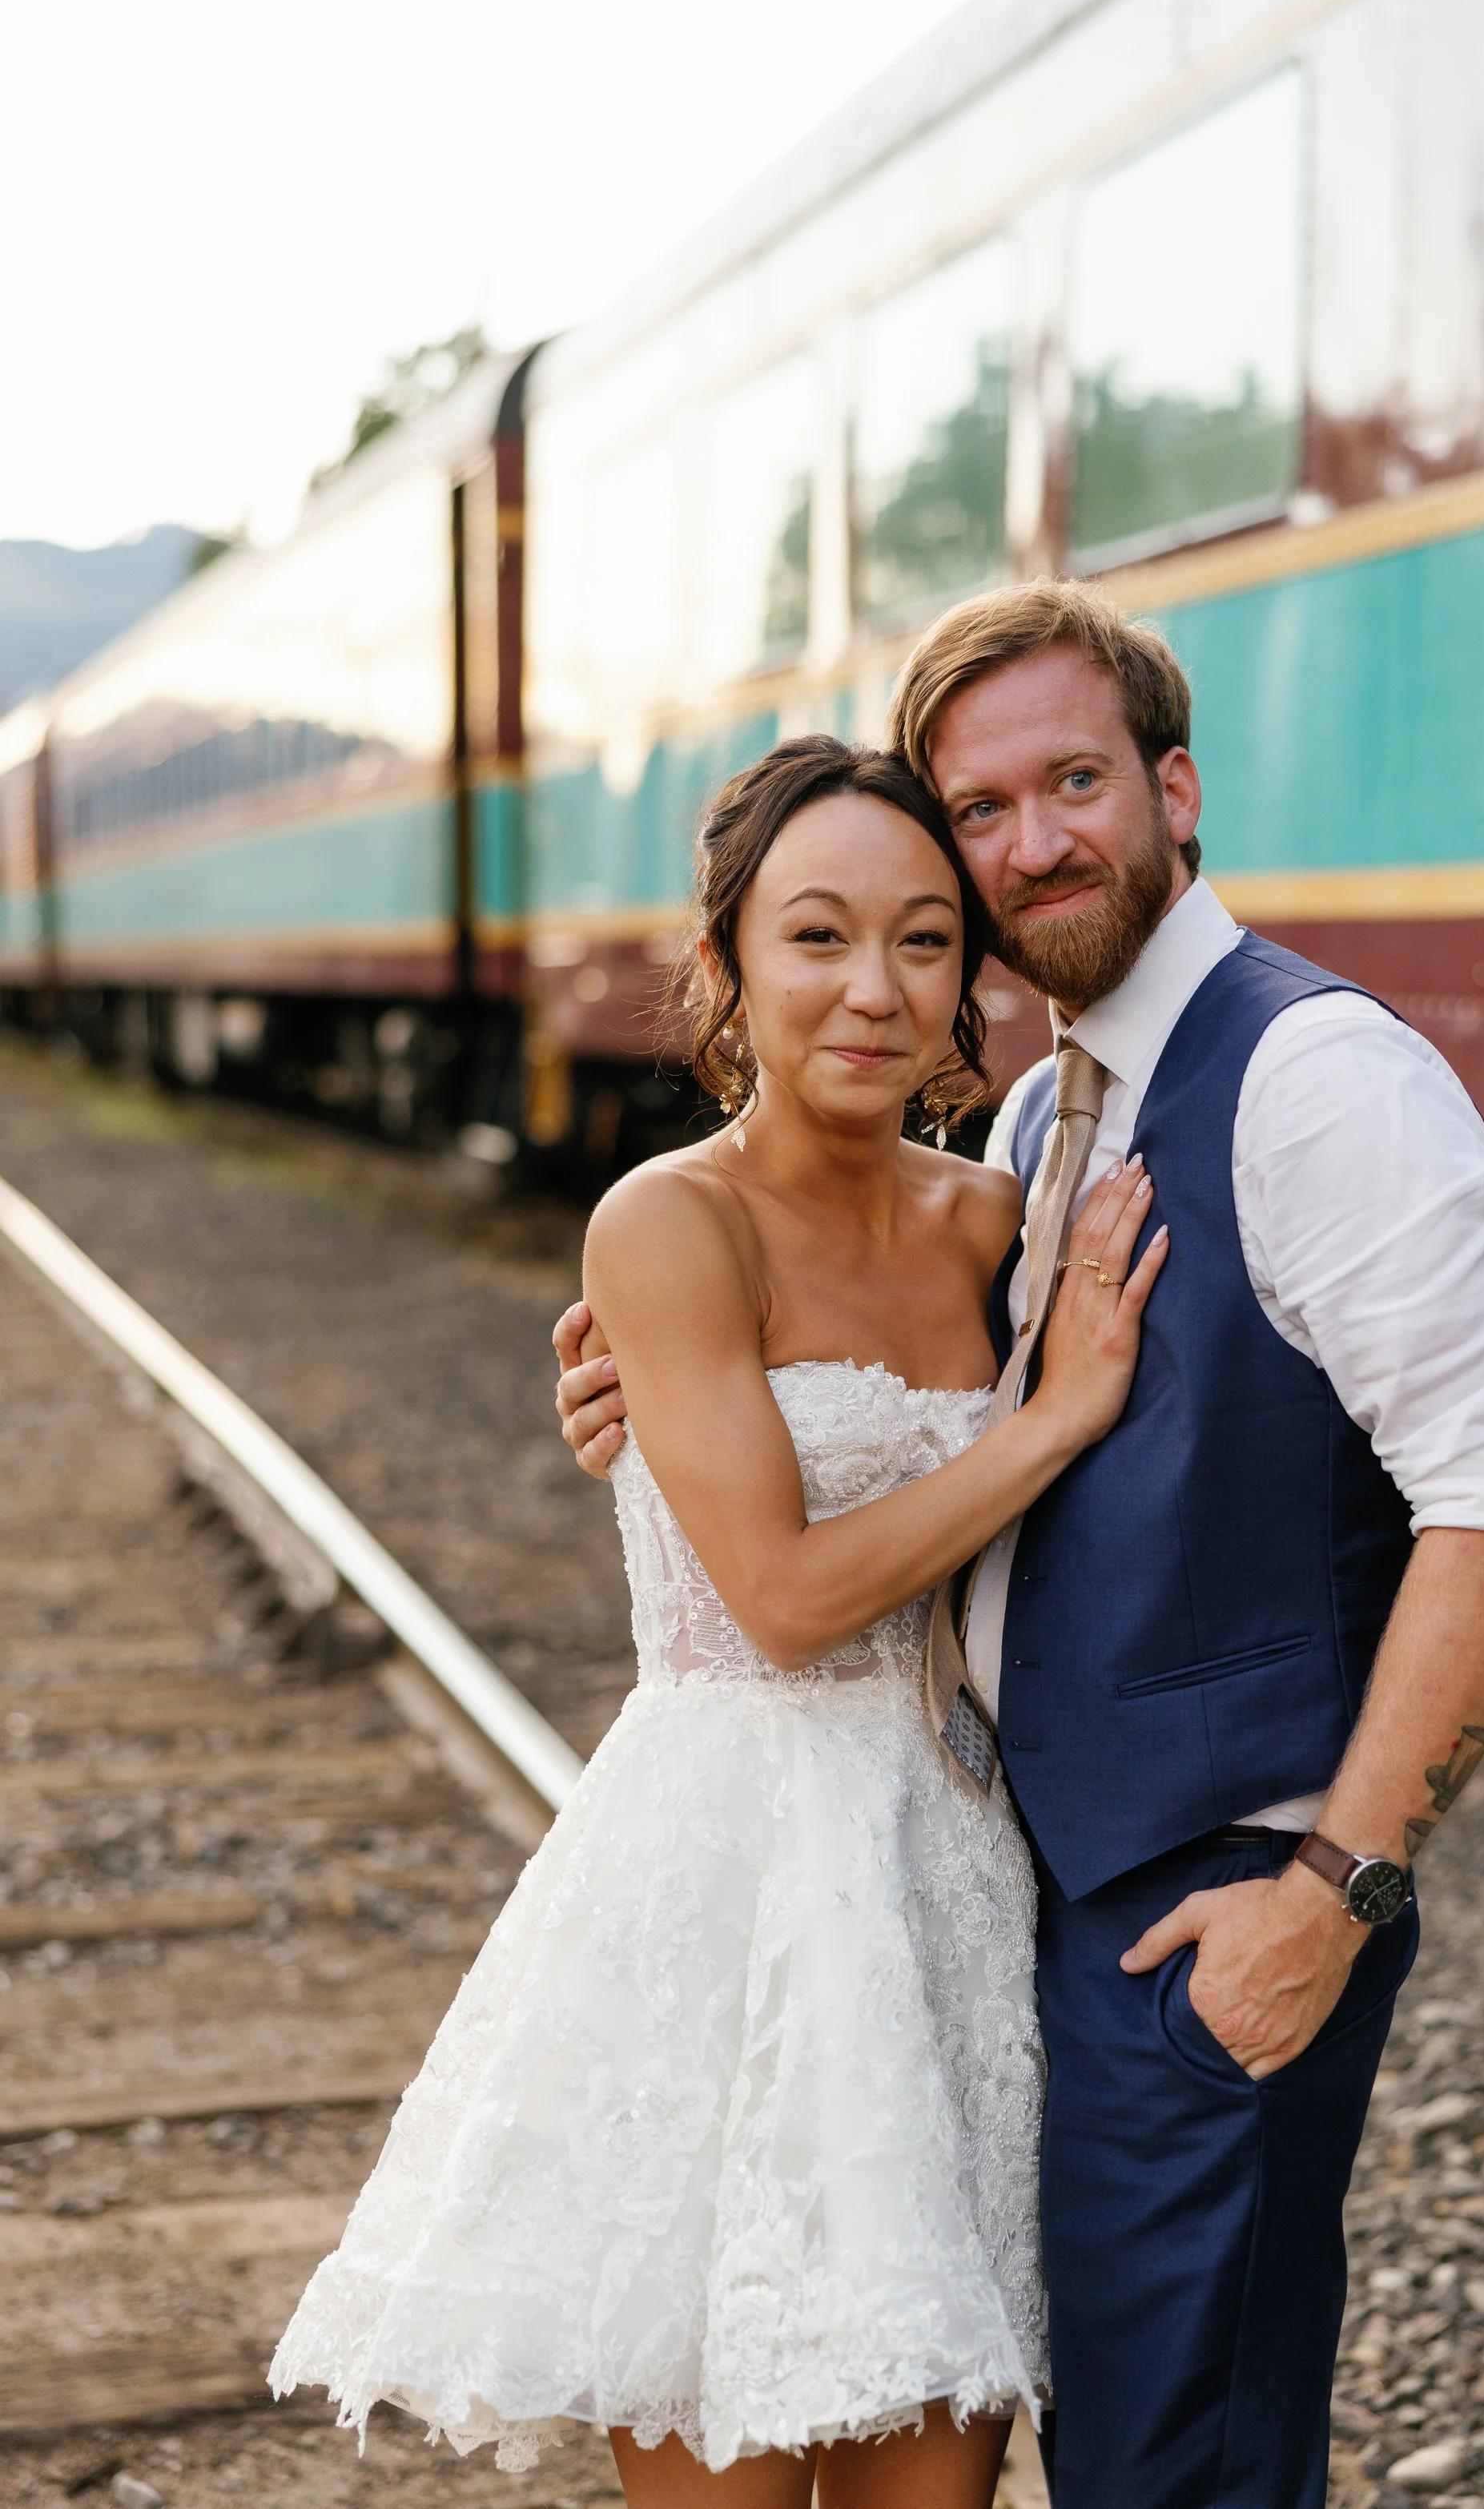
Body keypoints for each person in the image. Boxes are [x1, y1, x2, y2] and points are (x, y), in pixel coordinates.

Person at [556, 581, 1484, 2509]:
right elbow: (894, 1437)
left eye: (1076, 782)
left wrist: (1335, 1887)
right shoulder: (1037, 1121)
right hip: (993, 1899)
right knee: (1101, 2440)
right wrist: (676, 1414)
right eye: (982, 805)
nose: (1032, 841)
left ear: (1175, 791)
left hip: (1220, 1899)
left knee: (1170, 2467)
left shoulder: (1317, 1074)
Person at [271, 735, 1168, 2506]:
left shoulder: (999, 1216)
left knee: (939, 2474)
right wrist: (1053, 1412)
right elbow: (781, 1596)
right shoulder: (665, 1222)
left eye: (925, 940)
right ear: (731, 965)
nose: (874, 988)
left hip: (951, 1876)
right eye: (817, 935)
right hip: (725, 1886)